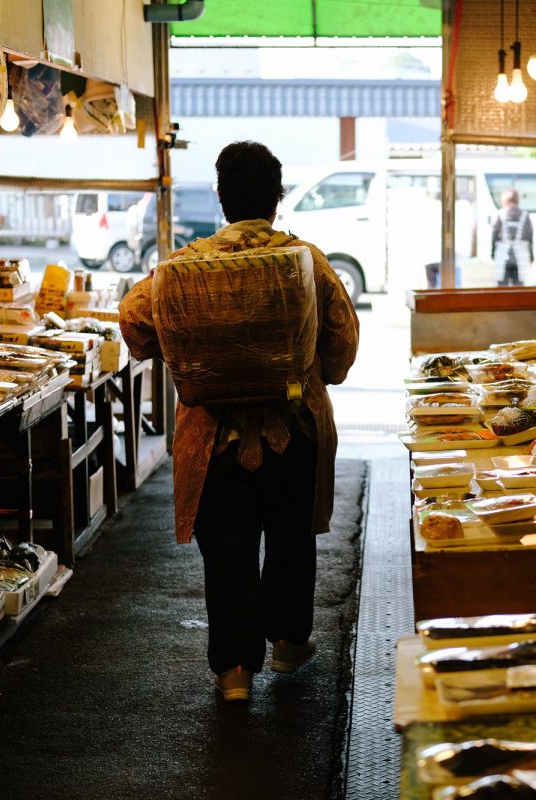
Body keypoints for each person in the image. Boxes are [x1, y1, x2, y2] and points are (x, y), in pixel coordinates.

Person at [120, 142, 359, 703]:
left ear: (222, 196)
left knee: (226, 550)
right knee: (290, 541)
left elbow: (134, 322)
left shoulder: (182, 265)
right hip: (292, 431)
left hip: (214, 441)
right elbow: (343, 347)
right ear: (276, 199)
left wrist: (185, 349)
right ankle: (288, 643)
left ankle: (233, 673)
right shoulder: (307, 260)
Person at [490, 189, 533, 286]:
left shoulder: (499, 214)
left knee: (502, 289)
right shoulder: (525, 215)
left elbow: (494, 235)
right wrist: (531, 257)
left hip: (502, 255)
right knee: (519, 289)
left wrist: (493, 253)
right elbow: (530, 237)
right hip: (521, 257)